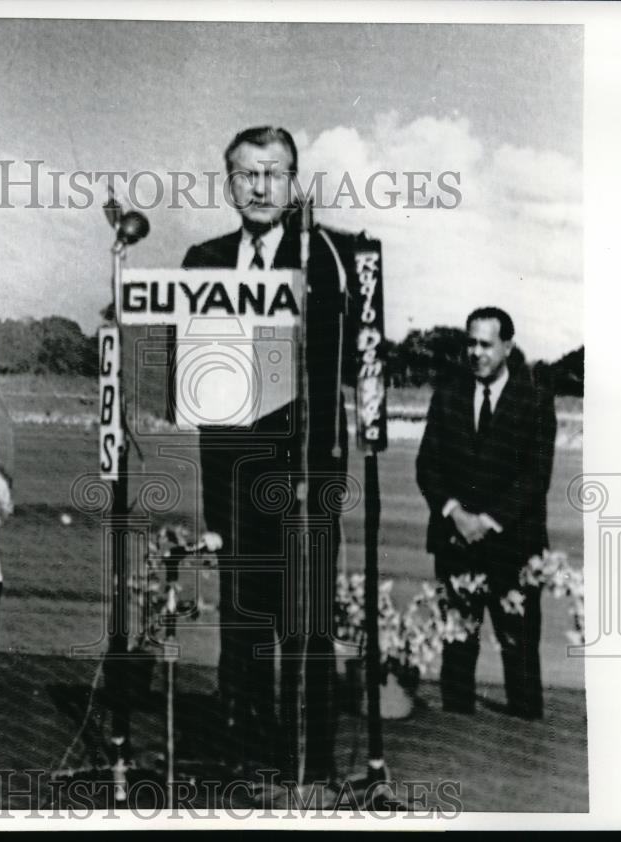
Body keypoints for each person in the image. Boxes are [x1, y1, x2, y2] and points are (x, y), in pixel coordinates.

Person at [181, 126, 362, 779]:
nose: (259, 187)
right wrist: (212, 510)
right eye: (246, 174)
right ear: (228, 182)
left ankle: (310, 761)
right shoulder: (202, 261)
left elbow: (365, 362)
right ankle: (247, 747)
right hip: (236, 480)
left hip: (309, 477)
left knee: (307, 621)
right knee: (245, 617)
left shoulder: (335, 258)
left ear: (294, 182)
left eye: (273, 173)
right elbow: (200, 396)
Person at [415, 306, 556, 719]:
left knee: (520, 652)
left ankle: (527, 749)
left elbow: (535, 477)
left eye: (486, 344)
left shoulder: (535, 402)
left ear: (508, 347)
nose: (475, 352)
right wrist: (456, 514)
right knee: (457, 650)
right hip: (456, 543)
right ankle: (459, 736)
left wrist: (488, 521)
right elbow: (427, 465)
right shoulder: (448, 396)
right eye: (470, 343)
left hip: (515, 548)